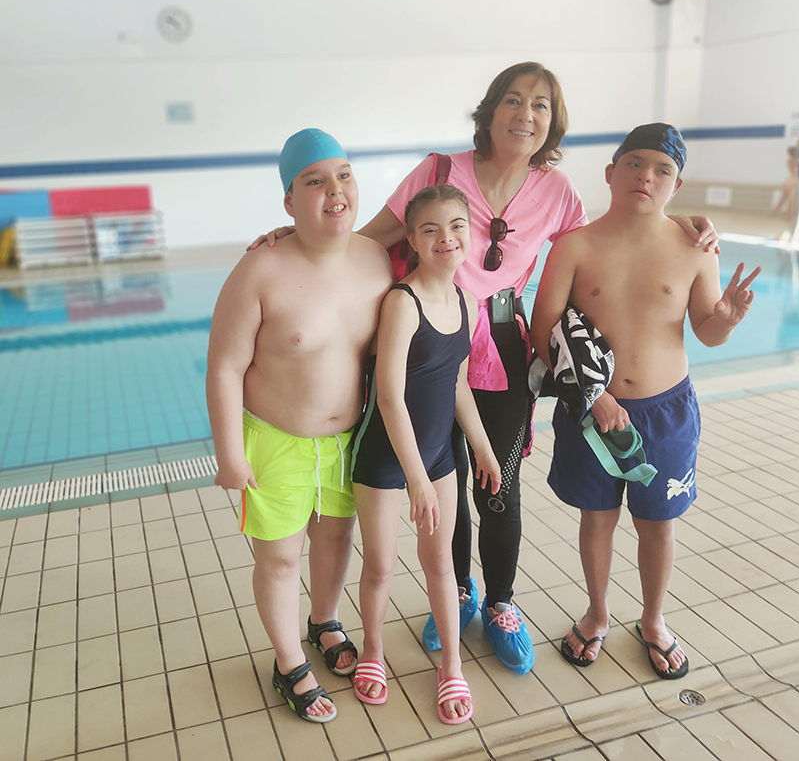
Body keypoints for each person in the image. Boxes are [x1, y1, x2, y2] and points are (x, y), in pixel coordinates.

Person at [248, 62, 719, 675]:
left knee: (499, 485)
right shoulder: (439, 171)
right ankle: (459, 589)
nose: (527, 115)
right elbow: (367, 238)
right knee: (442, 478)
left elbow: (616, 236)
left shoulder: (558, 192)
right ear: (491, 110)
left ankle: (501, 602)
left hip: (501, 350)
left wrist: (681, 223)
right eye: (514, 100)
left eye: (541, 105)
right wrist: (298, 234)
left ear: (552, 122)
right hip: (429, 350)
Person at [530, 123, 760, 679]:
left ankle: (653, 620)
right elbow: (543, 332)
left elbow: (705, 331)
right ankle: (597, 612)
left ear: (675, 186)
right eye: (633, 164)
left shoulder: (694, 248)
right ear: (611, 173)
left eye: (662, 170)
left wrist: (726, 320)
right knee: (597, 518)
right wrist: (596, 396)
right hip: (592, 411)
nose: (645, 177)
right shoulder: (575, 245)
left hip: (666, 411)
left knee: (658, 523)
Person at [206, 128, 393, 722]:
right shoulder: (259, 270)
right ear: (289, 201)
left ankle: (323, 621)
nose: (334, 191)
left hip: (349, 441)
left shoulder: (376, 257)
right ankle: (288, 662)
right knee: (281, 559)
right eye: (315, 181)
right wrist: (230, 454)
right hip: (276, 443)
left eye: (344, 176)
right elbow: (224, 367)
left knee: (336, 539)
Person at [350, 185, 501, 723]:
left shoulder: (467, 301)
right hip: (385, 458)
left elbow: (458, 384)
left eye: (456, 226)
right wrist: (414, 478)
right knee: (381, 564)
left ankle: (451, 665)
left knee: (442, 564)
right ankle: (372, 650)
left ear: (470, 232)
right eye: (430, 229)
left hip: (437, 457)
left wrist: (482, 448)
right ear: (412, 240)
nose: (446, 238)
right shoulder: (402, 303)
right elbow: (389, 398)